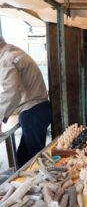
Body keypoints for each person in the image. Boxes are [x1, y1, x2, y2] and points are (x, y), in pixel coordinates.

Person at [0, 38, 51, 167]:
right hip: (40, 109)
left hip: (32, 112)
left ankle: (41, 185)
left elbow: (11, 92)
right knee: (24, 158)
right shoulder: (16, 52)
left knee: (35, 162)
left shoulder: (6, 59)